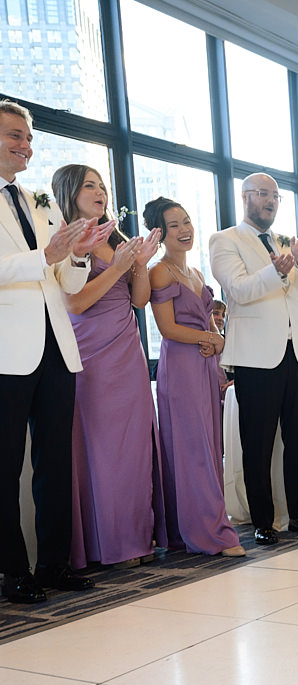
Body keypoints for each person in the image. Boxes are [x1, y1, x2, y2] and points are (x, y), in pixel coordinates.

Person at [0, 100, 111, 604]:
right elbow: (21, 267)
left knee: (53, 463)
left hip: (56, 349)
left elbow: (62, 279)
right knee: (5, 467)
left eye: (28, 137)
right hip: (7, 352)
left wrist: (79, 254)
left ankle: (54, 564)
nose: (25, 145)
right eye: (14, 135)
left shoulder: (39, 201)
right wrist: (41, 257)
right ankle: (13, 571)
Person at [51, 164, 167, 571]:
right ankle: (108, 543)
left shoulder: (115, 237)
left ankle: (137, 536)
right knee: (103, 450)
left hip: (127, 351)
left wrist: (139, 264)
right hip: (91, 355)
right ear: (70, 193)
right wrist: (118, 266)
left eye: (102, 185)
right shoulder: (68, 241)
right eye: (89, 185)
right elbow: (75, 303)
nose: (99, 191)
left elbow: (138, 301)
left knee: (134, 447)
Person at [210, 173, 298, 546]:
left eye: (275, 196)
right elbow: (240, 291)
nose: (271, 201)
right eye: (263, 194)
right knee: (257, 444)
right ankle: (262, 520)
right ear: (245, 197)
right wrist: (277, 269)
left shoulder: (286, 244)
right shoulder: (226, 240)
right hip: (257, 358)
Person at [144, 196, 244, 558]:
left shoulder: (197, 273)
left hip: (204, 366)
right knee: (192, 449)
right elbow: (167, 329)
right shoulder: (159, 271)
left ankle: (198, 524)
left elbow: (210, 324)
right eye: (174, 225)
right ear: (159, 233)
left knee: (209, 445)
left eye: (186, 221)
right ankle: (211, 532)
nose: (184, 230)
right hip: (181, 368)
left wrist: (217, 343)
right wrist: (209, 339)